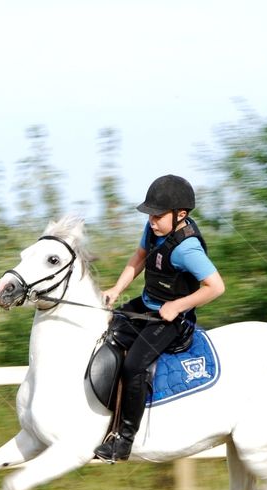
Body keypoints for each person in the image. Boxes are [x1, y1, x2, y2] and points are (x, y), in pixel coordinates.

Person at [94, 174, 225, 461]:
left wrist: (178, 306)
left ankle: (124, 440)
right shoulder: (154, 230)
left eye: (158, 215)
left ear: (181, 214)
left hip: (173, 321)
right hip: (147, 305)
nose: (152, 220)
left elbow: (216, 287)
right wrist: (116, 289)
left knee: (133, 366)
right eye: (150, 214)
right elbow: (139, 257)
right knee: (105, 336)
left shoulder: (187, 249)